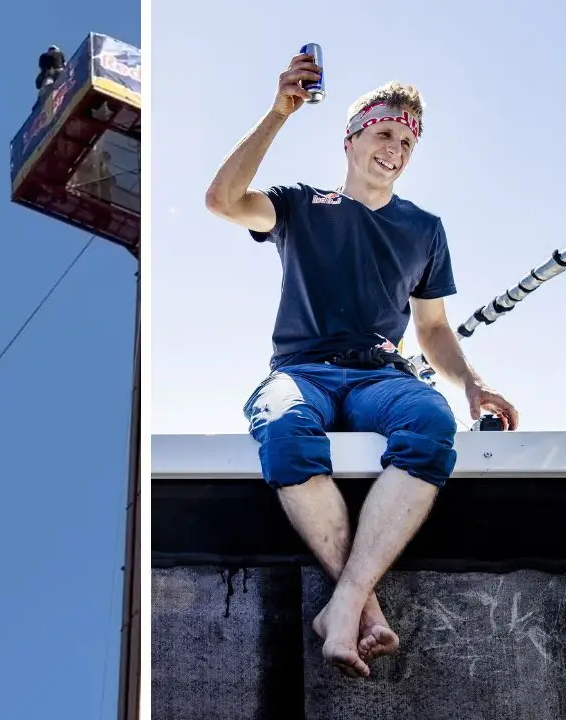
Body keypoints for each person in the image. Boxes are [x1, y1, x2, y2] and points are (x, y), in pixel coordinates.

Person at [204, 52, 520, 679]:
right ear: (350, 138)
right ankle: (365, 608)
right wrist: (278, 112)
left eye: (407, 142)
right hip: (303, 372)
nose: (395, 150)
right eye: (384, 133)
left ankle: (345, 605)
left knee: (431, 425)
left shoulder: (424, 229)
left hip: (382, 377)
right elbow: (222, 200)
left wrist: (474, 382)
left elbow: (433, 328)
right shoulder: (301, 205)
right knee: (283, 427)